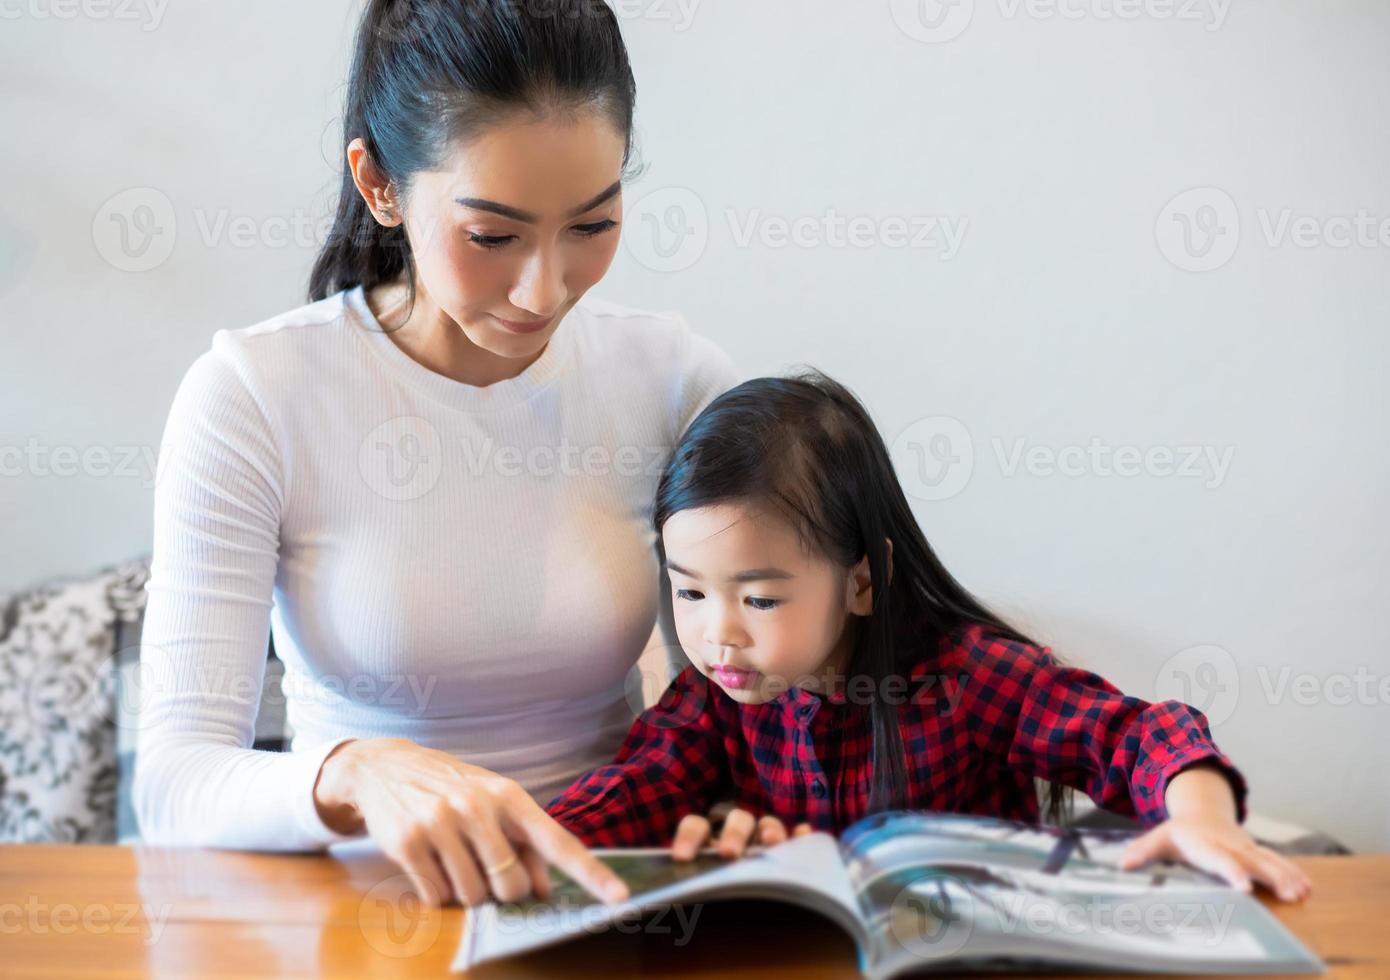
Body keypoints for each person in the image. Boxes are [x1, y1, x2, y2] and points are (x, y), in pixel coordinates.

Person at [133, 0, 740, 909]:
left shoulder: (673, 379)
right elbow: (174, 785)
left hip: (612, 898)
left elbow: (743, 705)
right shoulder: (256, 395)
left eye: (592, 225)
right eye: (492, 236)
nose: (545, 288)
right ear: (379, 184)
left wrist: (747, 800)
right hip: (355, 921)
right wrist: (352, 775)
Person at [547, 372, 1313, 904]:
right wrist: (521, 848)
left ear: (862, 579)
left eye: (760, 597)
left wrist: (1203, 818)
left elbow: (1138, 738)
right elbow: (634, 791)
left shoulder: (967, 674)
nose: (719, 635)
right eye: (688, 590)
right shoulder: (713, 702)